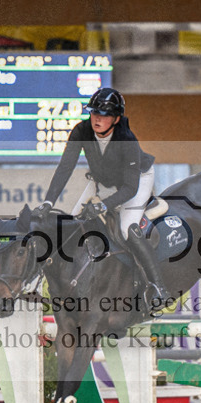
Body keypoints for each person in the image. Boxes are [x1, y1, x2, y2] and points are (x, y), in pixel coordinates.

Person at [34, 87, 167, 303]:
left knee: (126, 229)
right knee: (75, 223)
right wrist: (48, 202)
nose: (96, 119)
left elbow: (129, 189)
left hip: (136, 181)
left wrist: (103, 206)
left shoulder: (127, 139)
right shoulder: (81, 131)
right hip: (103, 180)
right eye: (94, 113)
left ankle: (158, 287)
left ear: (115, 119)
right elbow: (65, 168)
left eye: (103, 115)